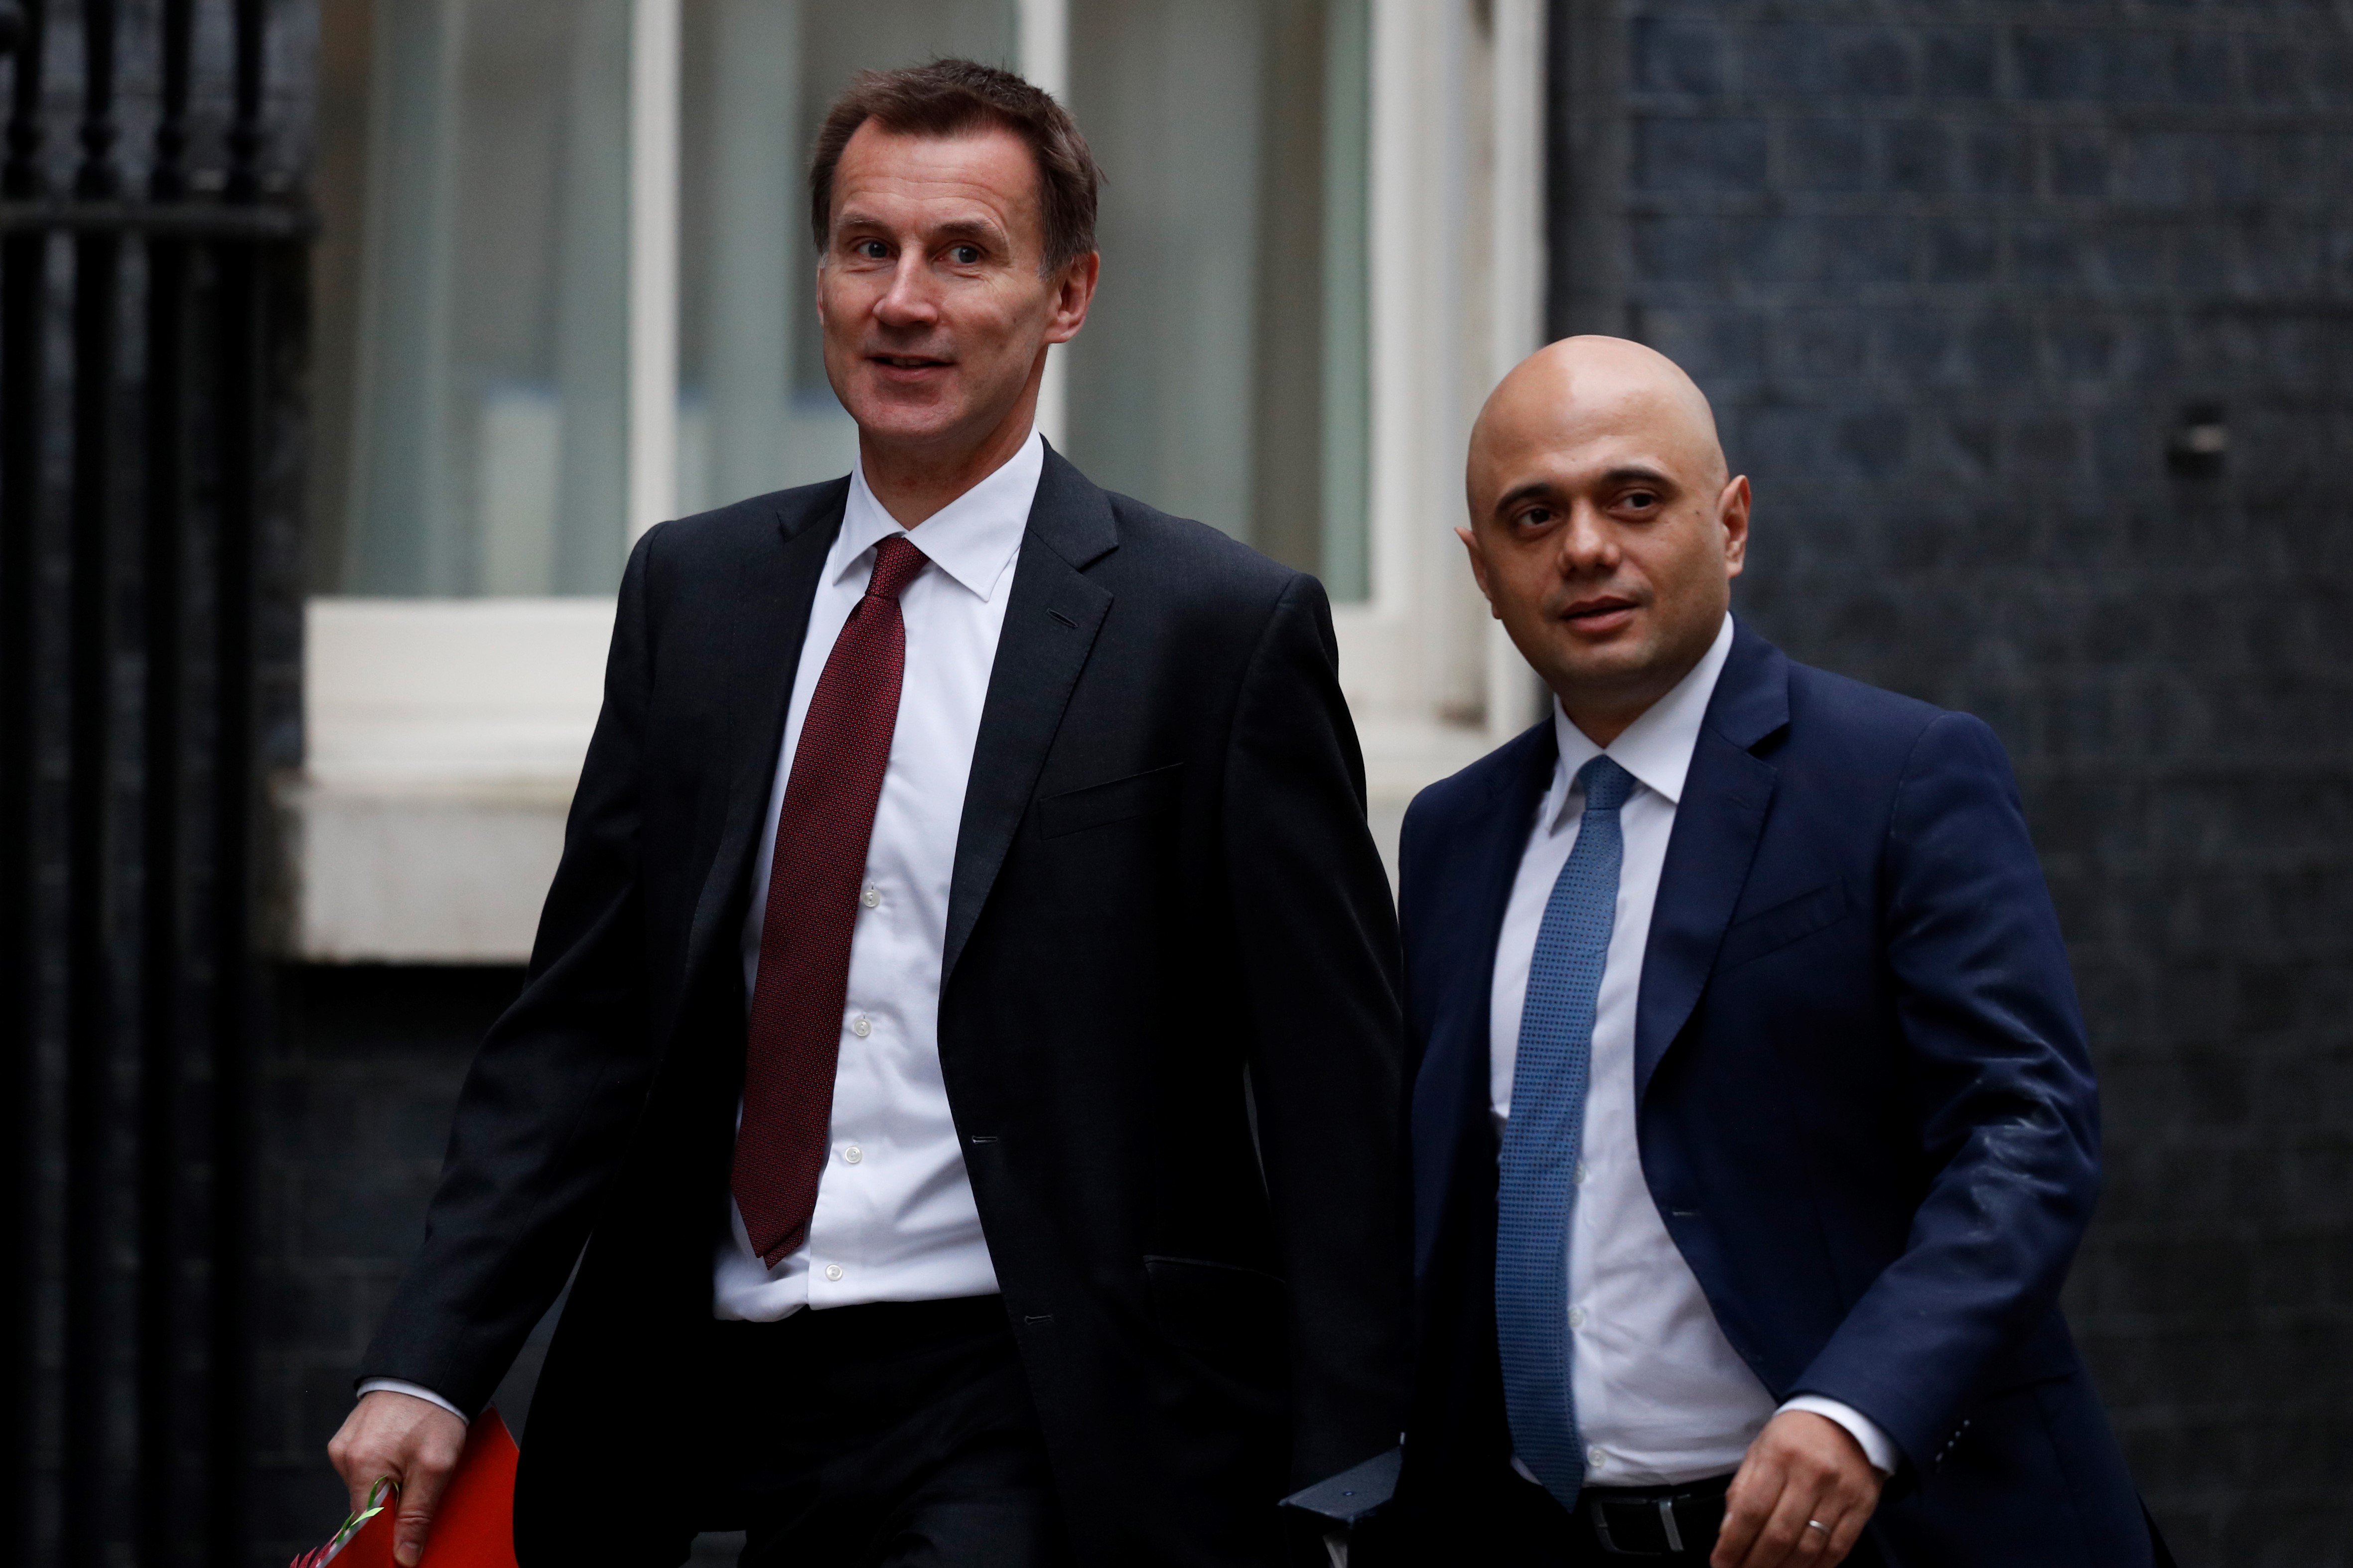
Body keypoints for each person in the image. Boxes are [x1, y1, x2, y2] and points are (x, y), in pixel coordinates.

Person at [328, 60, 1409, 1568]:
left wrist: (1349, 1469)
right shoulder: (692, 597)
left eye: (965, 252)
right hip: (695, 1394)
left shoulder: (1212, 630)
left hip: (1030, 1402)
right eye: (865, 247)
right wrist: (432, 1355)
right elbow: (581, 1031)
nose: (905, 299)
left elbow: (1330, 1082)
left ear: (1068, 293)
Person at [1375, 337, 2160, 1566]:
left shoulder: (1898, 777)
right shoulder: (1452, 835)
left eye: (1633, 498)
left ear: (1731, 525)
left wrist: (1859, 1406)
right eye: (1533, 515)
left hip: (1872, 1531)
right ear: (1481, 570)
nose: (1583, 546)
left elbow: (2026, 1128)